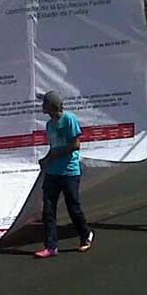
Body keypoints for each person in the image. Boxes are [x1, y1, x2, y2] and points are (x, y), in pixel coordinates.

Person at [35, 91, 93, 258]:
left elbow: (75, 145)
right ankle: (51, 246)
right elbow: (53, 148)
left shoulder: (69, 120)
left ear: (53, 105)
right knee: (48, 210)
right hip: (53, 172)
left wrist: (54, 155)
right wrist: (46, 160)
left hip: (69, 172)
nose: (42, 106)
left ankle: (85, 235)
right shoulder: (49, 125)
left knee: (73, 207)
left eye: (45, 103)